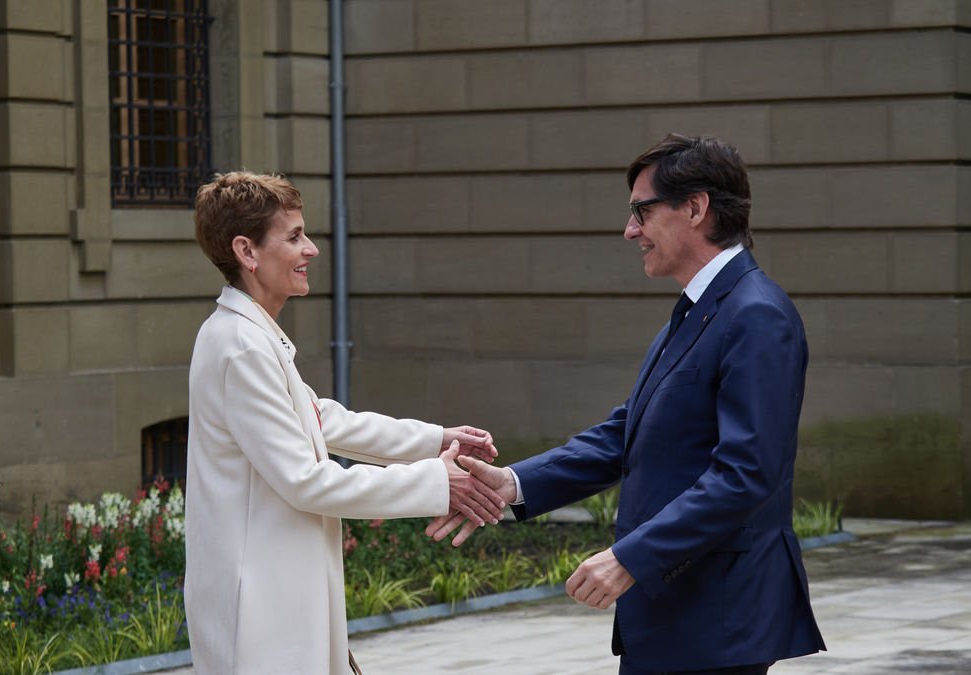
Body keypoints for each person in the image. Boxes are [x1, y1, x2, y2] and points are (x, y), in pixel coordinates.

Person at [428, 135, 826, 674]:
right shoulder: (701, 308)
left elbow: (746, 474)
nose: (630, 230)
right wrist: (514, 484)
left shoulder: (756, 315)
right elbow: (630, 432)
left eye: (642, 210)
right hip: (681, 613)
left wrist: (629, 558)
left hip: (719, 618)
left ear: (695, 207)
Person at [184, 171, 506, 675]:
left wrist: (434, 440)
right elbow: (305, 481)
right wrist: (435, 482)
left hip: (279, 597)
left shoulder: (249, 335)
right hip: (261, 613)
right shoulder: (242, 346)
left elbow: (321, 418)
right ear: (247, 252)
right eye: (293, 237)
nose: (310, 249)